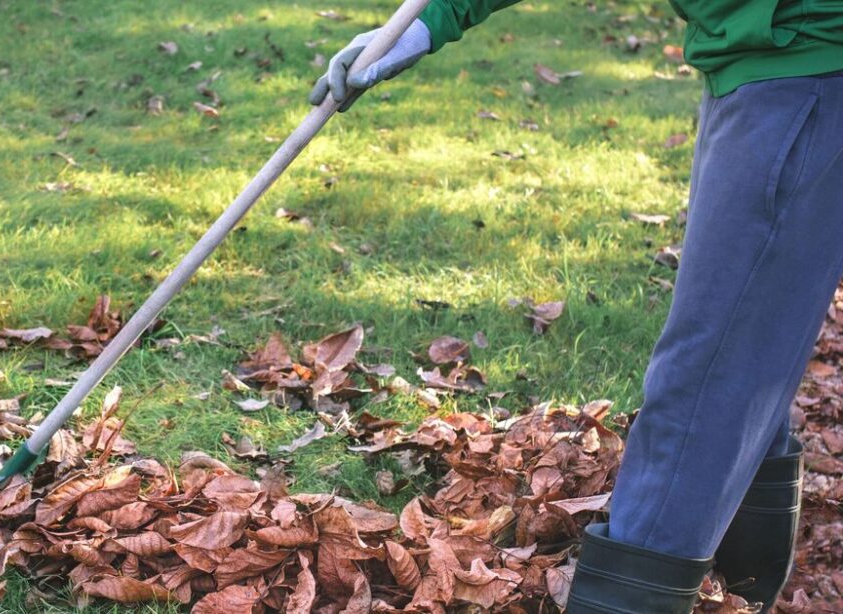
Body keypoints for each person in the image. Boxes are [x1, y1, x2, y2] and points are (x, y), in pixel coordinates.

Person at [310, 1, 843, 612]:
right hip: (761, 56)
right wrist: (429, 21)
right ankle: (739, 596)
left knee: (711, 380)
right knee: (745, 352)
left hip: (809, 62)